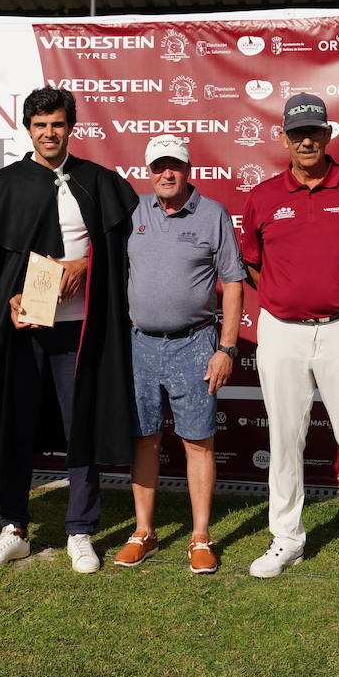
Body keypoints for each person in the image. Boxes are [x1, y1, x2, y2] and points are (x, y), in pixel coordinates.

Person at [0, 86, 137, 574]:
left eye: (57, 124)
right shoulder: (7, 185)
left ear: (71, 127)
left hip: (80, 331)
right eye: (40, 125)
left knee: (82, 425)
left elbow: (119, 255)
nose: (49, 133)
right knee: (16, 424)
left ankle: (80, 530)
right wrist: (4, 299)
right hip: (22, 332)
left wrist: (83, 265)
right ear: (28, 129)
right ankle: (14, 526)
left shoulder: (97, 181)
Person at [240, 93, 339, 588]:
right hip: (282, 330)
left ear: (329, 136)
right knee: (284, 439)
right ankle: (286, 537)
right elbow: (253, 266)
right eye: (297, 133)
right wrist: (289, 299)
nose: (306, 140)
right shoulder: (262, 197)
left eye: (315, 132)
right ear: (283, 138)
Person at [111, 135, 244, 574]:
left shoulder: (213, 215)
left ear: (189, 169)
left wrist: (226, 347)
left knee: (198, 442)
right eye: (158, 167)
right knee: (143, 438)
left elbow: (234, 284)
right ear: (148, 172)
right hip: (141, 343)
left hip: (195, 343)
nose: (166, 174)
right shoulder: (133, 213)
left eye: (175, 166)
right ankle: (143, 532)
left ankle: (200, 537)